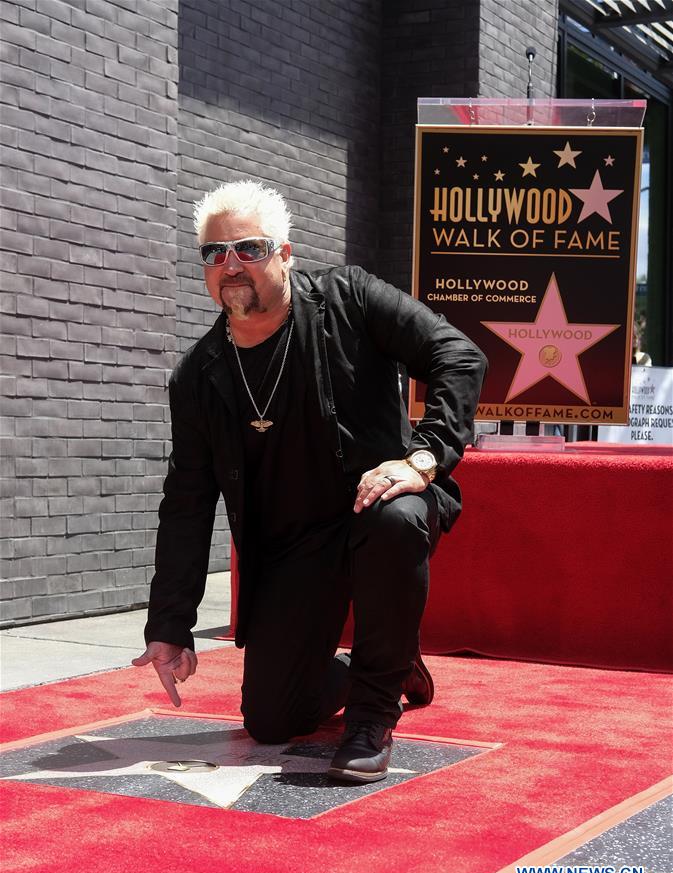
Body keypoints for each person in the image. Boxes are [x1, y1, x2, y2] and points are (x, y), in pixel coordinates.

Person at [132, 180, 487, 783]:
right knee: (272, 719)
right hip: (295, 548)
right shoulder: (198, 375)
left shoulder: (350, 298)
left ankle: (372, 716)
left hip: (377, 508)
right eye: (214, 253)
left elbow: (458, 355)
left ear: (285, 254)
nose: (231, 265)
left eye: (249, 248)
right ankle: (389, 664)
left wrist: (422, 459)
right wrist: (170, 625)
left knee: (395, 517)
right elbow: (186, 502)